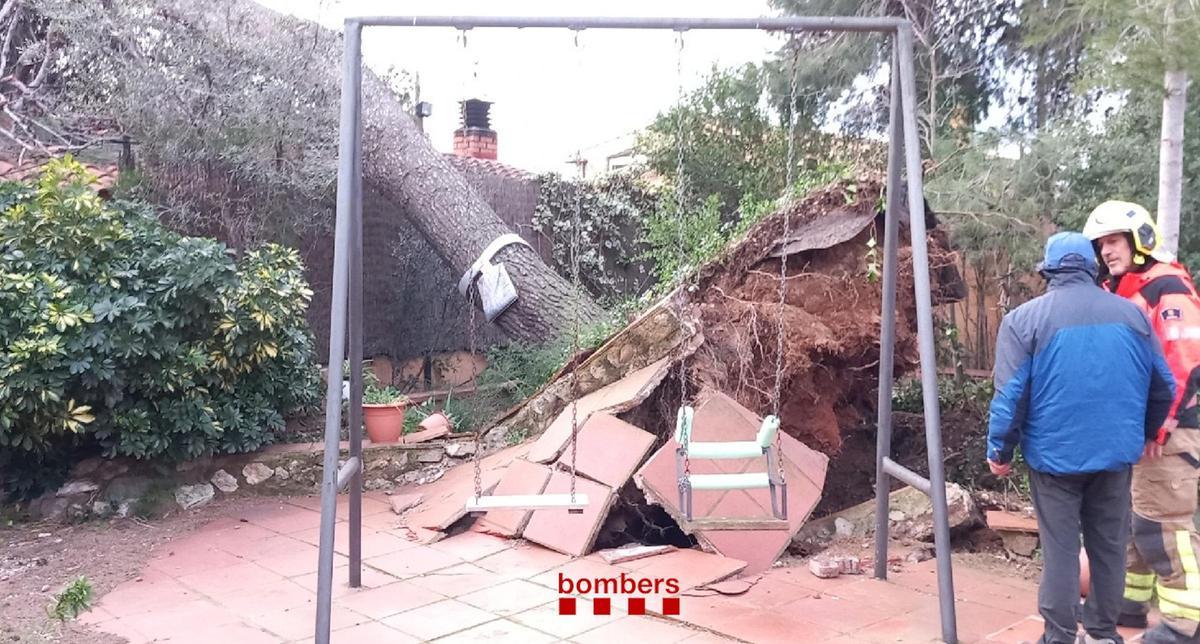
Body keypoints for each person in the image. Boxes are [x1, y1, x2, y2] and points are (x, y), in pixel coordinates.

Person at [988, 231, 1175, 644]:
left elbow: (1011, 397)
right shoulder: (1132, 316)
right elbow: (1163, 384)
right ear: (1092, 269)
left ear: (1047, 270)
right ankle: (1103, 634)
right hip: (1115, 457)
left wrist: (1000, 450)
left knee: (1060, 549)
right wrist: (1145, 433)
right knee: (1109, 547)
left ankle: (1059, 635)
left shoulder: (1024, 320)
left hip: (1054, 459)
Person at [1084, 201, 1200, 643]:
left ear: (1139, 240)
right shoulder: (1126, 288)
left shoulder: (1165, 287)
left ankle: (1185, 626)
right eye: (1101, 244)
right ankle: (1127, 607)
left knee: (1165, 527)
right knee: (1135, 522)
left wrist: (1161, 423)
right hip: (1139, 429)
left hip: (1167, 431)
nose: (1106, 251)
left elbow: (1185, 360)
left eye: (1113, 241)